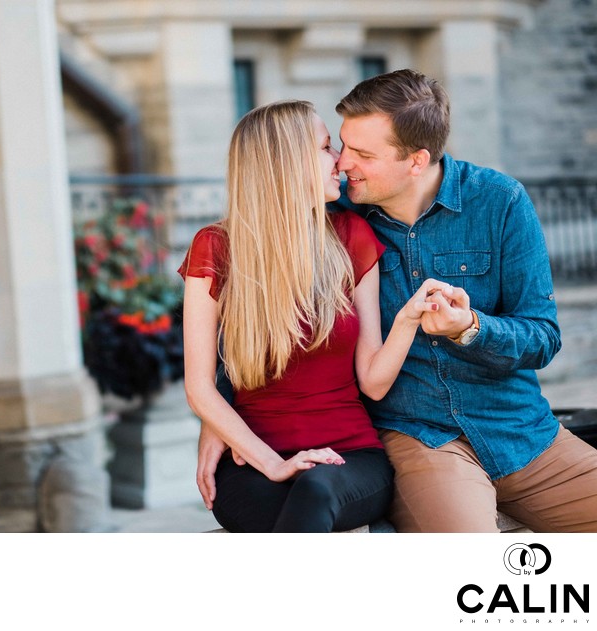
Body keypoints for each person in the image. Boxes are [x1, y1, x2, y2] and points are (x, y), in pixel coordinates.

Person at [329, 68, 597, 532]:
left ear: (417, 160)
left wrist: (470, 327)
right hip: (419, 437)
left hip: (521, 432)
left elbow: (544, 336)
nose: (342, 162)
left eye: (363, 153)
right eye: (342, 144)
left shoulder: (500, 201)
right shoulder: (335, 220)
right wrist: (217, 421)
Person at [179, 100, 448, 532]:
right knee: (298, 496)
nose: (339, 161)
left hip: (351, 457)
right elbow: (199, 387)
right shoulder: (215, 247)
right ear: (287, 163)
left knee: (316, 489)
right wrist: (274, 464)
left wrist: (409, 319)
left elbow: (373, 383)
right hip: (254, 462)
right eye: (326, 148)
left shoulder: (351, 237)